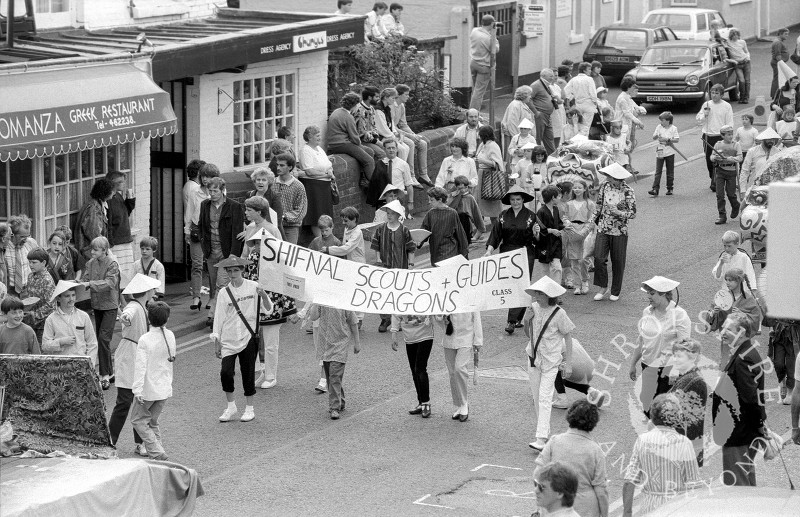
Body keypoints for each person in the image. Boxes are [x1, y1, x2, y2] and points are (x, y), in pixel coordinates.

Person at [240, 197, 294, 390]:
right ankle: (258, 372)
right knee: (251, 335)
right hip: (251, 289)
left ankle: (271, 375)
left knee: (270, 338)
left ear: (259, 212)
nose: (246, 213)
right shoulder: (249, 229)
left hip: (270, 291)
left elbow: (281, 259)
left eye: (249, 210)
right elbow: (245, 256)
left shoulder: (272, 230)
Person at [213, 255, 273, 423]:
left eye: (236, 270)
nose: (232, 274)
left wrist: (264, 295)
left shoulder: (254, 287)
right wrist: (217, 341)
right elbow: (219, 317)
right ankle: (231, 406)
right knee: (226, 372)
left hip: (248, 337)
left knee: (248, 373)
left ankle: (249, 408)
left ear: (242, 271)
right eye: (230, 271)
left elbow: (268, 310)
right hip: (228, 339)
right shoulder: (224, 293)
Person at [712, 312, 768, 486]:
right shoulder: (746, 352)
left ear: (742, 332)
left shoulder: (743, 359)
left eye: (729, 329)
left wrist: (760, 425)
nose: (723, 332)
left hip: (738, 433)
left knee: (737, 488)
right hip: (745, 432)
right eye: (723, 328)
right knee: (746, 482)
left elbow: (750, 399)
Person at [622, 394, 701, 516]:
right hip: (676, 508)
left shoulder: (642, 441)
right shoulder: (684, 443)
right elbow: (694, 485)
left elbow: (629, 481)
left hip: (649, 508)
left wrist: (627, 513)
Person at [110, 274, 160, 456]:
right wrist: (124, 317)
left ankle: (140, 443)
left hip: (139, 354)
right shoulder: (134, 306)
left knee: (140, 401)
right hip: (129, 354)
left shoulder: (143, 307)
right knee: (124, 401)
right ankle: (110, 442)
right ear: (146, 291)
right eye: (152, 290)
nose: (154, 292)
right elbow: (127, 314)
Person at [523, 276, 574, 451]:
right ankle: (543, 432)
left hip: (551, 361)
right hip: (533, 358)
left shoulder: (560, 314)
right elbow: (526, 334)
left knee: (545, 398)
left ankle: (541, 438)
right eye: (536, 292)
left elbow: (568, 336)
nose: (536, 296)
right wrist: (526, 320)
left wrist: (568, 363)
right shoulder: (533, 308)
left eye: (539, 293)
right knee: (537, 398)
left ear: (548, 295)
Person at [628, 276, 691, 416]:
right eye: (648, 293)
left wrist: (676, 371)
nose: (648, 297)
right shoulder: (647, 311)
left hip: (668, 370)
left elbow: (684, 346)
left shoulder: (680, 315)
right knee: (647, 405)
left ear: (663, 294)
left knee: (663, 411)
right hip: (648, 366)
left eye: (652, 293)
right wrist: (633, 363)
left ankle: (662, 436)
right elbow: (641, 339)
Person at [533, 401, 608, 517]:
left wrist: (541, 504)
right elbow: (601, 492)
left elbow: (537, 474)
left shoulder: (555, 441)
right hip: (586, 508)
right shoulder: (596, 450)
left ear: (570, 416)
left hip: (556, 504)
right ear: (593, 422)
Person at [484, 186, 539, 335]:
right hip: (507, 252)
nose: (515, 202)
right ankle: (518, 317)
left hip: (525, 252)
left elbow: (539, 239)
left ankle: (511, 321)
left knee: (522, 285)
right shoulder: (503, 216)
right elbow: (495, 235)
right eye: (513, 199)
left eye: (518, 199)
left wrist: (536, 234)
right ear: (509, 201)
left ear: (523, 200)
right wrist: (489, 250)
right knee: (511, 286)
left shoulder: (531, 216)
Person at [130, 301, 175, 461]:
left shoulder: (145, 340)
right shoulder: (170, 335)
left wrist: (137, 390)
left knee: (138, 420)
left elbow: (140, 367)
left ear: (149, 318)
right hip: (163, 388)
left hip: (148, 390)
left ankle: (156, 450)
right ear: (167, 319)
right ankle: (159, 451)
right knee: (153, 422)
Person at [199, 176, 246, 325]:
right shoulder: (204, 205)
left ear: (222, 190)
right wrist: (203, 245)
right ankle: (230, 311)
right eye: (210, 190)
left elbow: (237, 231)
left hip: (227, 252)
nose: (212, 193)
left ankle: (213, 316)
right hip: (211, 251)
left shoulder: (234, 206)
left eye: (215, 190)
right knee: (215, 286)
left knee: (221, 284)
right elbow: (202, 226)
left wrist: (234, 253)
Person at [592, 163, 636, 302]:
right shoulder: (605, 186)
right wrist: (591, 219)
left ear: (617, 178)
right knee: (599, 258)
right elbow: (599, 204)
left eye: (610, 177)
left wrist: (619, 213)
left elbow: (633, 213)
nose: (607, 178)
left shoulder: (628, 191)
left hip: (619, 230)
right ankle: (602, 287)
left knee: (618, 261)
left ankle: (615, 290)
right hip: (603, 227)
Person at [371, 200, 416, 333]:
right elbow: (376, 245)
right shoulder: (381, 229)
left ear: (398, 215)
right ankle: (385, 319)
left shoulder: (404, 230)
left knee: (398, 294)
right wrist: (378, 259)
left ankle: (399, 320)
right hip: (384, 268)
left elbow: (411, 248)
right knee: (384, 294)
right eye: (388, 213)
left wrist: (411, 264)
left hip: (400, 267)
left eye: (391, 214)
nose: (389, 216)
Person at [310, 302, 360, 420]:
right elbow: (313, 317)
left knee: (334, 375)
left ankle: (334, 407)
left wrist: (357, 342)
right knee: (331, 376)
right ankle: (340, 401)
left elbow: (353, 322)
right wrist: (315, 301)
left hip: (340, 344)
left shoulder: (343, 302)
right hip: (326, 343)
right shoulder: (322, 302)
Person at [81, 236, 120, 390]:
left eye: (96, 250)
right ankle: (110, 373)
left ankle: (103, 374)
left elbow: (110, 283)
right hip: (97, 305)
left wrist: (90, 284)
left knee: (103, 339)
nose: (92, 252)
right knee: (100, 340)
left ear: (104, 251)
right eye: (92, 249)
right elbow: (84, 280)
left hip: (110, 306)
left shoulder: (112, 264)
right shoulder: (90, 264)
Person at [707, 268, 763, 363]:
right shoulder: (722, 297)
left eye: (730, 280)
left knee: (740, 364)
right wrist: (713, 313)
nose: (728, 283)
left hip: (741, 340)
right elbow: (710, 321)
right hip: (726, 339)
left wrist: (742, 315)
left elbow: (755, 319)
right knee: (725, 364)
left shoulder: (749, 300)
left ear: (739, 281)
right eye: (726, 280)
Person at [667, 338, 708, 466]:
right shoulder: (687, 377)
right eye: (674, 355)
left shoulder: (692, 380)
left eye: (679, 356)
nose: (674, 359)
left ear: (693, 357)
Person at [438, 310, 482, 422]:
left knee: (459, 369)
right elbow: (439, 322)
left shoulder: (470, 296)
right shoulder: (445, 298)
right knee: (452, 373)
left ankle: (464, 403)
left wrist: (478, 340)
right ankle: (458, 405)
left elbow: (477, 319)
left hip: (466, 338)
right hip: (449, 338)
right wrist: (439, 317)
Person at [42, 280, 97, 365]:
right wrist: (60, 342)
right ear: (58, 298)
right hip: (60, 365)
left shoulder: (83, 316)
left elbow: (92, 343)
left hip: (81, 363)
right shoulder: (51, 319)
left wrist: (90, 364)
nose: (71, 299)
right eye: (67, 296)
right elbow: (45, 345)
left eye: (73, 295)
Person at [327, 92, 376, 184]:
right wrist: (360, 146)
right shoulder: (348, 117)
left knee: (370, 151)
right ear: (355, 105)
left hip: (336, 144)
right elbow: (355, 138)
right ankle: (372, 184)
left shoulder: (337, 111)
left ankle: (364, 177)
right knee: (369, 160)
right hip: (342, 144)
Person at [391, 313, 434, 418]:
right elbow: (396, 313)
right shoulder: (402, 297)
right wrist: (394, 332)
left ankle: (426, 403)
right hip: (409, 337)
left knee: (420, 369)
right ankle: (420, 402)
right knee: (414, 371)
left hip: (425, 335)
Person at [298, 125, 335, 240]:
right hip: (314, 187)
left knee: (325, 215)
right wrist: (326, 175)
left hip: (324, 187)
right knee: (316, 216)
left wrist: (330, 170)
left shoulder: (319, 149)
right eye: (317, 135)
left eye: (319, 135)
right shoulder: (306, 150)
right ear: (309, 137)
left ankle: (327, 240)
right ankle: (321, 241)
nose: (320, 137)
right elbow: (309, 171)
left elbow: (328, 165)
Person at [394, 84, 433, 187]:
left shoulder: (401, 106)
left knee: (422, 144)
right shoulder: (391, 106)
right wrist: (410, 137)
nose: (408, 97)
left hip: (400, 132)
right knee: (410, 143)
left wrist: (413, 134)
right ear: (399, 95)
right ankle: (411, 176)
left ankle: (423, 174)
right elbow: (393, 127)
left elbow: (403, 124)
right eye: (406, 94)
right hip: (393, 134)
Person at [697, 84, 734, 192]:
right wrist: (705, 114)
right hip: (708, 136)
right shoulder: (706, 104)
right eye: (712, 93)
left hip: (720, 136)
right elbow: (699, 120)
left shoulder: (726, 106)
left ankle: (717, 181)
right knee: (709, 160)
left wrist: (728, 135)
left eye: (717, 93)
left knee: (720, 159)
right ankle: (712, 178)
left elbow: (729, 122)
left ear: (722, 94)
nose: (714, 95)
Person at [183, 159, 209, 310]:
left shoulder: (219, 190)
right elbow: (189, 212)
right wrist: (187, 231)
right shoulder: (193, 191)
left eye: (207, 175)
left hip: (212, 230)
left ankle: (213, 297)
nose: (204, 179)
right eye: (203, 175)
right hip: (196, 230)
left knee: (213, 266)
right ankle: (196, 297)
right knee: (197, 265)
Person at [562, 180, 595, 296]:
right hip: (572, 231)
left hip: (585, 230)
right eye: (575, 188)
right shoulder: (569, 203)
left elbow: (591, 219)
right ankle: (577, 284)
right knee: (574, 260)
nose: (577, 190)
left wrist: (585, 230)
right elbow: (564, 217)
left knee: (584, 259)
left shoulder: (589, 203)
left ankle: (585, 281)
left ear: (585, 189)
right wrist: (568, 225)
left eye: (579, 187)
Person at [367, 139, 415, 215]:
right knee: (382, 224)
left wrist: (410, 201)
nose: (391, 150)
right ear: (384, 149)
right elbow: (374, 183)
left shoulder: (403, 164)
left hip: (398, 199)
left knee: (396, 224)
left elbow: (409, 184)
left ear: (396, 149)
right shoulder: (380, 164)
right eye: (389, 148)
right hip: (383, 200)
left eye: (393, 148)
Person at [422, 187, 469, 266]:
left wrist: (464, 253)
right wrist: (419, 241)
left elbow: (460, 234)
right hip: (435, 250)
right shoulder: (430, 213)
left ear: (440, 200)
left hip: (449, 250)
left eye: (431, 200)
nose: (429, 202)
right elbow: (424, 231)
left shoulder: (452, 213)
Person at [105, 171, 136, 285]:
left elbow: (125, 213)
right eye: (121, 182)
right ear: (113, 183)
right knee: (120, 270)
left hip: (125, 238)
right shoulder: (110, 199)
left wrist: (130, 200)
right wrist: (111, 241)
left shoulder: (118, 195)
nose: (124, 184)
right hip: (117, 241)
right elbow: (109, 221)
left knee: (128, 270)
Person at [20, 247, 55, 345]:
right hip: (29, 323)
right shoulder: (31, 276)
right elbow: (29, 298)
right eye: (29, 262)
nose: (30, 265)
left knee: (40, 352)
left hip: (43, 325)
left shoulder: (47, 280)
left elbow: (50, 305)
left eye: (34, 262)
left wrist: (33, 315)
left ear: (43, 263)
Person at [74, 179, 113, 262]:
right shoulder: (94, 208)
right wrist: (103, 248)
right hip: (91, 252)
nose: (114, 192)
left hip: (95, 251)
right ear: (106, 192)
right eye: (112, 190)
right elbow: (93, 232)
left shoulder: (98, 205)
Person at [273, 154, 308, 245]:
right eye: (277, 165)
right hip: (272, 227)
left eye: (282, 165)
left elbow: (301, 210)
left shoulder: (298, 186)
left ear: (290, 167)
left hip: (290, 228)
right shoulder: (271, 183)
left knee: (288, 255)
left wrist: (283, 216)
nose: (278, 168)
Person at [711, 124, 742, 224]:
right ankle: (722, 215)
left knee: (731, 194)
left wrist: (729, 159)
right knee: (719, 195)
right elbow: (712, 155)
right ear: (722, 135)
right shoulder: (718, 144)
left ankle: (735, 205)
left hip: (731, 171)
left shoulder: (736, 145)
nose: (730, 136)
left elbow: (740, 157)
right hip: (720, 171)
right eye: (728, 134)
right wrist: (715, 158)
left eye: (731, 134)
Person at [475, 125, 506, 226]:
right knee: (479, 204)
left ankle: (497, 230)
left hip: (490, 178)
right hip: (481, 176)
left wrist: (483, 160)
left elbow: (497, 164)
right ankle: (480, 229)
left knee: (492, 204)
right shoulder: (482, 145)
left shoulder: (493, 145)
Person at [739, 127, 784, 196]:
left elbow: (780, 171)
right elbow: (745, 171)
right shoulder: (752, 151)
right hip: (754, 187)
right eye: (769, 139)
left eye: (773, 139)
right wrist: (742, 190)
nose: (771, 141)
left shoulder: (777, 152)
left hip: (771, 188)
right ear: (763, 139)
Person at [534, 185, 564, 286]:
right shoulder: (541, 211)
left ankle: (555, 294)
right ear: (553, 198)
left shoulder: (555, 209)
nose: (560, 198)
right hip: (544, 244)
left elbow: (559, 223)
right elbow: (539, 228)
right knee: (545, 271)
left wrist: (565, 226)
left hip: (555, 243)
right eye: (558, 196)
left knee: (557, 268)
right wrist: (551, 231)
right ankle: (546, 295)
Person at [469, 15, 499, 111]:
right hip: (484, 66)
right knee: (478, 93)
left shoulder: (474, 31)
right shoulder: (488, 38)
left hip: (474, 62)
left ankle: (472, 111)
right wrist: (494, 36)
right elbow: (495, 49)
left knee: (475, 90)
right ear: (491, 24)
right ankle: (473, 114)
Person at [375, 88, 412, 164]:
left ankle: (400, 170)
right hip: (382, 137)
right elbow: (383, 129)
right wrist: (394, 138)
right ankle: (396, 170)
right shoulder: (378, 109)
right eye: (393, 98)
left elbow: (391, 125)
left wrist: (396, 134)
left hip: (389, 136)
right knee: (401, 149)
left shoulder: (387, 108)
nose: (394, 100)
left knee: (407, 147)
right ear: (385, 97)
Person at [648, 111, 680, 197]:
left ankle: (670, 187)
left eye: (662, 120)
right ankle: (655, 188)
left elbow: (677, 139)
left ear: (668, 121)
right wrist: (656, 136)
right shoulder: (659, 127)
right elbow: (654, 137)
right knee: (658, 170)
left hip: (669, 151)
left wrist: (668, 139)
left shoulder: (673, 128)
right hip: (660, 149)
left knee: (670, 170)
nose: (661, 122)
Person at [5, 215, 39, 297]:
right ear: (12, 234)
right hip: (9, 292)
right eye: (22, 237)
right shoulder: (4, 248)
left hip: (27, 290)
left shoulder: (31, 243)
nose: (26, 239)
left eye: (28, 236)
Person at [246, 167, 284, 239]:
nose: (260, 182)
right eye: (258, 180)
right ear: (254, 181)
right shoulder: (250, 195)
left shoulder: (275, 196)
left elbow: (277, 219)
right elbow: (246, 215)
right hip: (252, 231)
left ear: (268, 182)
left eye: (264, 180)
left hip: (270, 234)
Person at [771, 318, 800, 406]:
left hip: (794, 335)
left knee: (791, 366)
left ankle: (790, 392)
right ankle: (782, 382)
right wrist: (771, 328)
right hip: (779, 333)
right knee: (778, 363)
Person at [449, 175, 485, 244]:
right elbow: (450, 209)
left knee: (464, 248)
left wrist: (479, 231)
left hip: (465, 225)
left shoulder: (469, 198)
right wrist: (459, 195)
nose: (463, 190)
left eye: (465, 188)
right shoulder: (452, 196)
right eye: (460, 188)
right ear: (456, 187)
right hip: (453, 226)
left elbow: (476, 214)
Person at [529, 68, 558, 155]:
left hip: (547, 115)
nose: (553, 78)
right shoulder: (536, 85)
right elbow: (529, 99)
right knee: (538, 137)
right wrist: (536, 112)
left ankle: (552, 157)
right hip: (540, 115)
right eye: (551, 76)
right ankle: (537, 156)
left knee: (549, 137)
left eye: (553, 76)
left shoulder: (547, 85)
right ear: (544, 76)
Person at [353, 86, 387, 161]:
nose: (379, 99)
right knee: (382, 154)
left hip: (371, 140)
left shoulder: (371, 108)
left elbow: (373, 126)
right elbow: (361, 133)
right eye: (377, 96)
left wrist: (376, 138)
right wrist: (377, 142)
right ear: (369, 97)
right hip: (361, 141)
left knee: (389, 149)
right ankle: (378, 172)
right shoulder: (359, 111)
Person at [564, 62, 599, 130]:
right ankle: (583, 139)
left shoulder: (573, 79)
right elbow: (593, 94)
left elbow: (566, 92)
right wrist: (595, 102)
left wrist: (571, 99)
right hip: (588, 105)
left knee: (578, 126)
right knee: (586, 127)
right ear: (584, 70)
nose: (590, 71)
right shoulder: (589, 79)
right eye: (589, 69)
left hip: (578, 105)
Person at [727, 29, 751, 104]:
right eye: (733, 35)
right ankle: (742, 97)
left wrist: (748, 57)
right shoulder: (728, 42)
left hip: (746, 62)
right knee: (741, 81)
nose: (735, 37)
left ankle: (746, 98)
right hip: (737, 64)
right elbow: (717, 38)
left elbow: (746, 51)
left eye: (736, 35)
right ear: (731, 36)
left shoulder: (742, 42)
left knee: (747, 81)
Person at [770, 28, 790, 98]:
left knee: (778, 78)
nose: (787, 35)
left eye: (787, 34)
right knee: (777, 78)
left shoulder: (779, 41)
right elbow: (778, 55)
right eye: (785, 34)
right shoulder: (778, 42)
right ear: (780, 34)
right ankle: (775, 95)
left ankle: (776, 94)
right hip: (778, 62)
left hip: (779, 62)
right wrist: (782, 64)